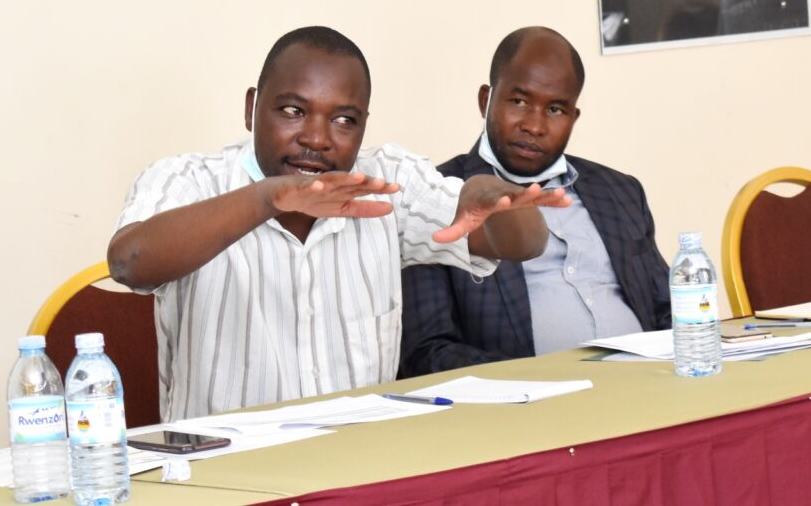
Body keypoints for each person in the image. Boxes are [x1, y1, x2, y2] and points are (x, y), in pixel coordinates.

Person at [107, 26, 570, 421]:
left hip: (358, 471)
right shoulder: (188, 179)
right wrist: (268, 197)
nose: (316, 138)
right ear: (251, 108)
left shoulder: (386, 181)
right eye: (292, 111)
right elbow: (129, 262)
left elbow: (521, 244)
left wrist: (499, 195)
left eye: (344, 120)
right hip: (226, 476)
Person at [399, 26, 670, 377]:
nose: (534, 125)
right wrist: (542, 380)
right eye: (519, 101)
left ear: (573, 118)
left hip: (646, 387)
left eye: (555, 109)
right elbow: (427, 353)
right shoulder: (437, 197)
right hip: (531, 408)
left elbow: (669, 310)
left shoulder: (619, 191)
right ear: (486, 101)